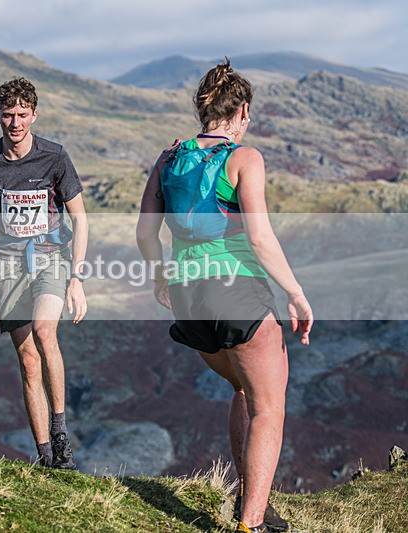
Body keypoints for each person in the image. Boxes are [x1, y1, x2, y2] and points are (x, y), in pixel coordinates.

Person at [136, 59, 313, 533]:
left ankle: (250, 503)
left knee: (241, 387)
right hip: (237, 291)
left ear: (202, 109)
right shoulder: (245, 158)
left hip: (188, 296)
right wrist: (295, 294)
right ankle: (251, 524)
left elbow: (145, 234)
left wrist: (160, 279)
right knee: (268, 407)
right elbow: (260, 238)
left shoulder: (168, 158)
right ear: (243, 111)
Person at [0, 77, 88, 469]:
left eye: (21, 115)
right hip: (9, 264)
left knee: (45, 330)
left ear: (34, 114)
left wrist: (77, 278)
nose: (14, 123)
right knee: (27, 359)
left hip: (51, 255)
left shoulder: (55, 157)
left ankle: (61, 430)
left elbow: (80, 218)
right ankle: (46, 454)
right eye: (7, 115)